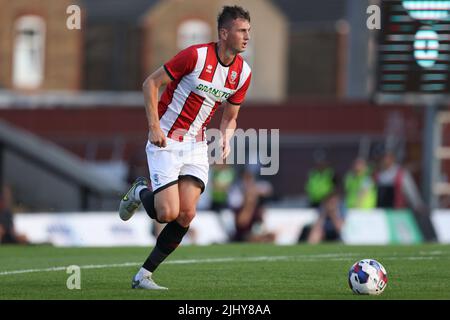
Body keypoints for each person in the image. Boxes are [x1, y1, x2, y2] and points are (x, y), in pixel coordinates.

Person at [118, 6, 252, 290]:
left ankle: (144, 275)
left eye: (248, 31)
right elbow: (150, 84)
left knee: (186, 214)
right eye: (241, 31)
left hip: (196, 145)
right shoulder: (195, 55)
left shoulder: (243, 73)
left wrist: (227, 138)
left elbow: (231, 117)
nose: (246, 36)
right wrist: (154, 127)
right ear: (224, 33)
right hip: (166, 138)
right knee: (166, 213)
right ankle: (140, 191)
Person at [228, 169, 275, 243]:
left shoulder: (257, 205)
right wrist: (249, 205)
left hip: (254, 232)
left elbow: (260, 224)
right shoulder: (238, 200)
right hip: (242, 235)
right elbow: (242, 223)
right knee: (254, 238)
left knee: (271, 236)